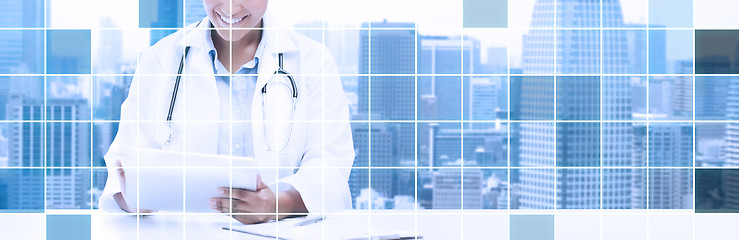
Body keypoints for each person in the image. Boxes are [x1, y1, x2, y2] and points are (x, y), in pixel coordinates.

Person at [98, 0, 355, 225]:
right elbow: (126, 166)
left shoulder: (313, 61)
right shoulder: (161, 60)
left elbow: (330, 164)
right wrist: (136, 200)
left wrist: (275, 205)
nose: (230, 7)